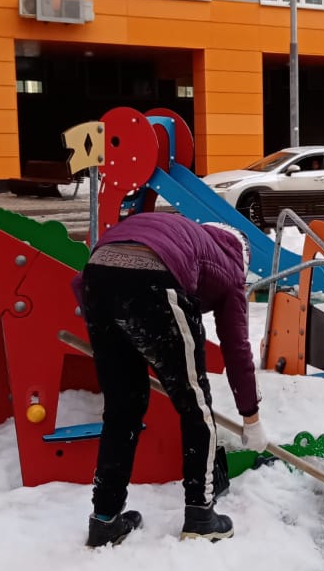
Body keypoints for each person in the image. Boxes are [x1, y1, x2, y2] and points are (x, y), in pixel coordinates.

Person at [73, 213, 268, 547]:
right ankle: (201, 516)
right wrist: (251, 417)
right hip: (155, 276)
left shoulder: (188, 235)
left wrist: (125, 335)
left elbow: (83, 284)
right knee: (195, 406)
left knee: (122, 409)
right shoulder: (232, 266)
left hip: (96, 277)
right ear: (244, 253)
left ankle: (105, 520)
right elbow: (236, 347)